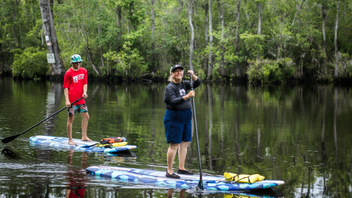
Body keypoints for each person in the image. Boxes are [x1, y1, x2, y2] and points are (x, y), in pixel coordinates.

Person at [163, 64, 201, 179]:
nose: (178, 73)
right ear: (171, 74)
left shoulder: (184, 84)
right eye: (176, 71)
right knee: (174, 144)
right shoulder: (170, 87)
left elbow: (197, 83)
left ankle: (181, 168)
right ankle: (169, 171)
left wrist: (193, 76)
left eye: (180, 71)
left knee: (185, 142)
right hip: (174, 118)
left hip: (186, 118)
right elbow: (171, 101)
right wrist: (187, 96)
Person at [63, 54, 91, 145]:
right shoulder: (68, 73)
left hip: (81, 100)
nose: (78, 64)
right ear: (72, 63)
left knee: (86, 117)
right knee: (71, 119)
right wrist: (67, 100)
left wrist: (85, 92)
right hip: (72, 101)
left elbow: (85, 83)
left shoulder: (84, 71)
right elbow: (66, 88)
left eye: (79, 62)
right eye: (76, 62)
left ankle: (84, 136)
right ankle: (70, 139)